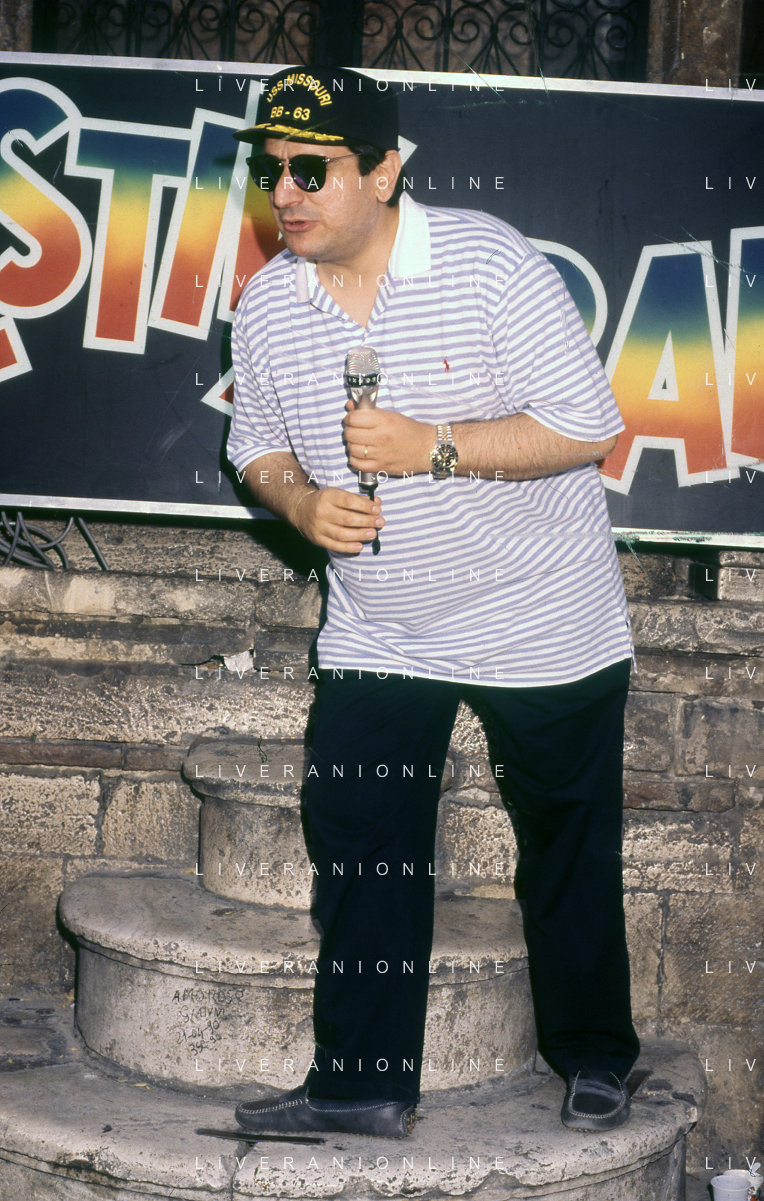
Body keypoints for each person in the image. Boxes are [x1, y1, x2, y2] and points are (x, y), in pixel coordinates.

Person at [227, 65, 639, 1139]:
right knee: (359, 834)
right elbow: (254, 445)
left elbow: (585, 426)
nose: (285, 192)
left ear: (382, 173)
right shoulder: (269, 302)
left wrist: (432, 447)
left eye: (310, 169)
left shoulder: (486, 262)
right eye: (270, 170)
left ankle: (595, 1053)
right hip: (383, 627)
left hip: (541, 615)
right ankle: (363, 1084)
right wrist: (299, 500)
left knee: (565, 845)